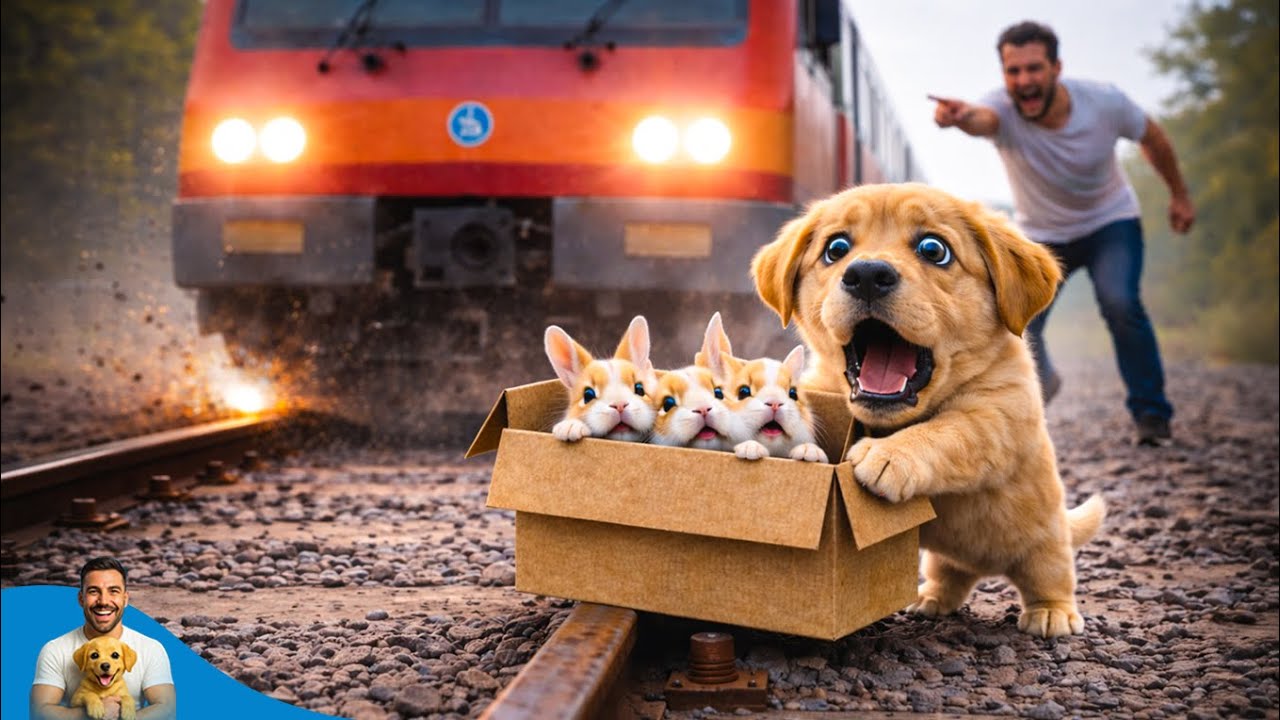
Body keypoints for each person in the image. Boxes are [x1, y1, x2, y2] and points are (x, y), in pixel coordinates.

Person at [929, 20, 1194, 445]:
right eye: (1013, 72)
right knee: (1017, 320)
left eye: (1034, 69)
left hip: (1110, 222)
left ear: (1056, 68)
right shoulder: (1002, 110)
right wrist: (959, 118)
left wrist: (1179, 195)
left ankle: (1151, 415)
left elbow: (1154, 139)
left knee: (1120, 302)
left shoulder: (1104, 103)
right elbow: (981, 119)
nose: (1024, 81)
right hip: (1043, 235)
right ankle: (1042, 382)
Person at [30, 557, 176, 720]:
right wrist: (89, 716)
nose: (104, 601)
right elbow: (38, 714)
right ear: (81, 599)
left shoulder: (150, 648)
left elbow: (167, 710)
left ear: (125, 599)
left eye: (113, 591)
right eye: (93, 591)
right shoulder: (55, 649)